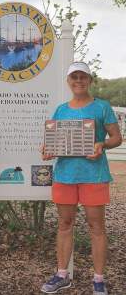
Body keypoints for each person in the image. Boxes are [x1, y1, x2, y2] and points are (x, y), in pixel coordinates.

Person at [40, 61, 122, 295]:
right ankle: (62, 275)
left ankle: (98, 280)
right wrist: (48, 150)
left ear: (90, 80)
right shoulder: (61, 109)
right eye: (74, 77)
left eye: (83, 77)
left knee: (96, 226)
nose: (78, 81)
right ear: (68, 81)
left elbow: (116, 137)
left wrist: (101, 144)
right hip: (65, 175)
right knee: (65, 224)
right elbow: (53, 142)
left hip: (93, 175)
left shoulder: (102, 107)